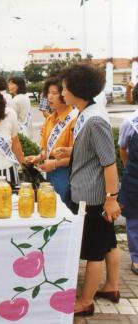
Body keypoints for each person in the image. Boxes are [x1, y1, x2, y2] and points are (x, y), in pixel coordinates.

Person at [57, 63, 121, 316]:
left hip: (93, 197)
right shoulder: (89, 111)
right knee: (107, 243)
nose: (62, 93)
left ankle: (85, 302)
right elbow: (94, 152)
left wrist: (111, 199)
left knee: (94, 252)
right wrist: (72, 152)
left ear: (77, 90)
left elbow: (109, 162)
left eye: (64, 89)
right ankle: (112, 286)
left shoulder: (94, 119)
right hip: (91, 193)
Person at [25, 77, 78, 206]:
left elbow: (78, 155)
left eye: (54, 93)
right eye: (48, 93)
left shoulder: (75, 119)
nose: (50, 97)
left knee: (63, 208)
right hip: (51, 170)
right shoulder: (49, 119)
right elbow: (46, 149)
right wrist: (38, 158)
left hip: (67, 173)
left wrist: (54, 164)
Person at [118, 85, 138, 275]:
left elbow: (123, 149)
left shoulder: (129, 120)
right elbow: (123, 149)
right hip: (134, 175)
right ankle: (137, 259)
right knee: (134, 217)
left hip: (133, 174)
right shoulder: (131, 121)